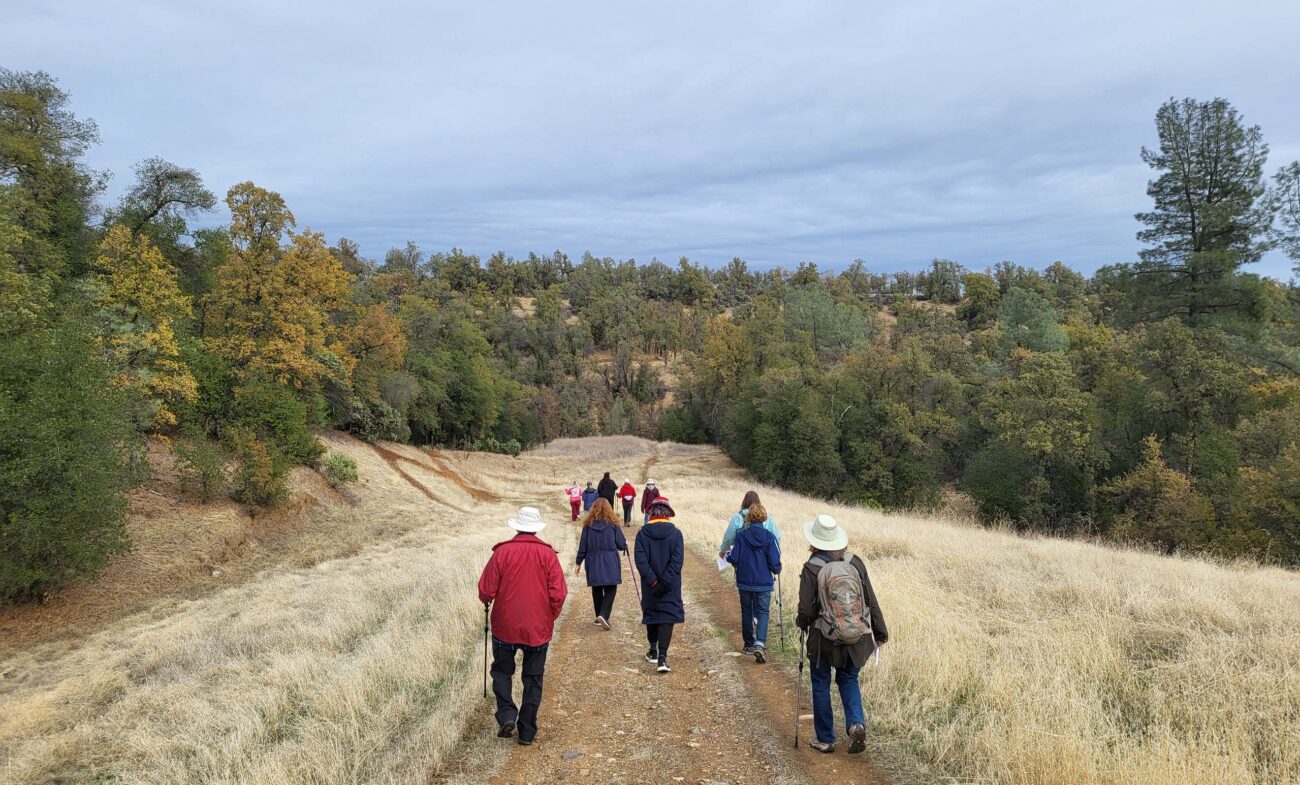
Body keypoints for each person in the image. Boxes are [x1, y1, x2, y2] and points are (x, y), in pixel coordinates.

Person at [794, 514, 888, 755]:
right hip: (857, 636)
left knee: (821, 684)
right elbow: (870, 599)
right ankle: (856, 724)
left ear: (815, 541)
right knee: (848, 679)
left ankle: (825, 739)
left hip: (823, 638)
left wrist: (801, 623)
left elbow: (805, 609)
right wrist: (880, 632)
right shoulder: (855, 563)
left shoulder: (812, 567)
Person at [477, 506, 568, 746]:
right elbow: (559, 593)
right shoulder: (548, 555)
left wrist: (487, 600)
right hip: (538, 627)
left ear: (517, 526)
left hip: (505, 626)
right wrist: (550, 616)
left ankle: (507, 714)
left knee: (501, 671)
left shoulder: (502, 552)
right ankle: (526, 731)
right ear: (537, 528)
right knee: (533, 677)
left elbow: (486, 590)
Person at [725, 502, 781, 663]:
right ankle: (760, 644)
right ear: (764, 518)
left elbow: (734, 558)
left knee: (746, 611)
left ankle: (749, 644)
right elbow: (775, 563)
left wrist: (729, 557)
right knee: (763, 612)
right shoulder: (770, 537)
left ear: (749, 517)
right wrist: (777, 569)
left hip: (744, 581)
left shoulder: (741, 536)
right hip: (763, 582)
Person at [634, 495, 684, 673]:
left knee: (652, 615)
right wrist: (664, 582)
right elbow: (677, 562)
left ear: (651, 513)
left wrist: (654, 581)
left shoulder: (641, 534)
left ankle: (653, 650)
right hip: (670, 586)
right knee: (667, 618)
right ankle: (662, 658)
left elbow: (640, 561)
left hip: (650, 585)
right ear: (667, 513)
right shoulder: (676, 534)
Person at [574, 498, 628, 629]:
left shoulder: (588, 525)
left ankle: (599, 616)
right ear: (609, 509)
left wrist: (578, 562)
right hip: (610, 560)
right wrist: (625, 544)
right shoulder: (613, 524)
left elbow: (583, 546)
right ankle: (603, 615)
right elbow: (621, 544)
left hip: (593, 560)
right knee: (611, 587)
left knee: (597, 587)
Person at [719, 490, 781, 558]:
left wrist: (724, 550)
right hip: (762, 558)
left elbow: (728, 537)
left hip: (742, 557)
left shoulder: (738, 518)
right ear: (758, 502)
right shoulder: (767, 518)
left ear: (744, 502)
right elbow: (776, 537)